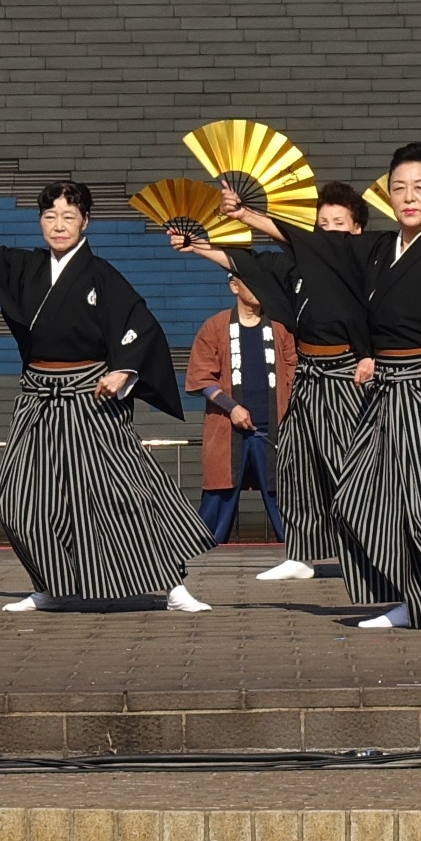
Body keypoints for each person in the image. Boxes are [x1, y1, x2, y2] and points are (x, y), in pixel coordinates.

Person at [0, 179, 213, 614]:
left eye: (68, 217)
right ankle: (51, 584)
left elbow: (141, 327)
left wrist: (122, 371)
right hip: (37, 395)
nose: (58, 226)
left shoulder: (101, 275)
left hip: (89, 396)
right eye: (50, 216)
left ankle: (173, 587)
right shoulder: (26, 267)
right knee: (22, 499)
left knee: (121, 492)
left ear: (85, 222)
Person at [223, 143, 421, 633]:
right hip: (386, 394)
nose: (409, 197)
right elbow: (316, 246)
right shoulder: (378, 250)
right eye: (399, 188)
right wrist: (249, 216)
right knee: (371, 498)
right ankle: (407, 601)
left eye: (420, 187)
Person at [171, 182, 370, 582]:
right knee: (297, 466)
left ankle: (368, 554)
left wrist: (246, 215)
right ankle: (302, 553)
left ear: (356, 230)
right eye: (321, 223)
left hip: (346, 373)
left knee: (349, 467)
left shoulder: (362, 262)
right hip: (309, 375)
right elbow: (248, 264)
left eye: (337, 223)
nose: (327, 230)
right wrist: (198, 247)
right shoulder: (297, 267)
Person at [185, 274, 296, 545]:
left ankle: (299, 555)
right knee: (219, 495)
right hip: (228, 430)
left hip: (273, 429)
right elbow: (201, 377)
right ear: (234, 286)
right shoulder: (215, 326)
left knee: (283, 496)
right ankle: (200, 559)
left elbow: (295, 373)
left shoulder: (280, 328)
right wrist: (231, 407)